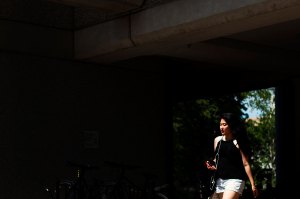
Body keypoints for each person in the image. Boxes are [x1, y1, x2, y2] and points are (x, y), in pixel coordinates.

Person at [205, 112, 259, 199]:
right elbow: (217, 160)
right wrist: (211, 165)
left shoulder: (238, 142)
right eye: (220, 124)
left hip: (235, 180)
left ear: (231, 125)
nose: (221, 127)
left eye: (224, 125)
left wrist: (253, 185)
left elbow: (246, 164)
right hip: (220, 181)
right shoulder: (217, 140)